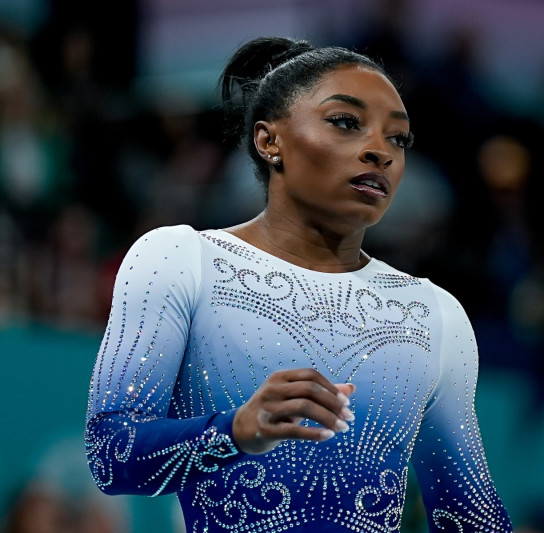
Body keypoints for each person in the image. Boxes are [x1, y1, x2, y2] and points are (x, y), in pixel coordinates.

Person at [84, 36, 513, 532]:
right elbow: (112, 455)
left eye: (398, 139)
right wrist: (235, 431)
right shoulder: (182, 260)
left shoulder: (433, 314)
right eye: (346, 123)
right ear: (270, 141)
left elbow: (469, 516)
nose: (380, 152)